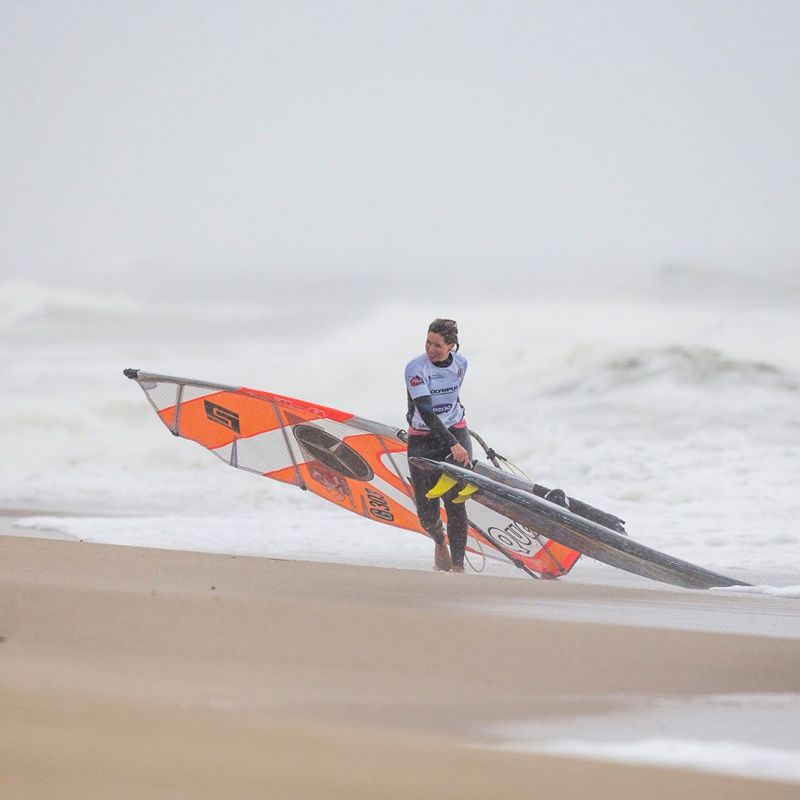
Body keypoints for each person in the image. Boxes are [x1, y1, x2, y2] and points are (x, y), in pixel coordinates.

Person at [405, 318, 473, 573]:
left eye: (437, 345)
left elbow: (454, 397)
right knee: (426, 515)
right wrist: (453, 444)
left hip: (455, 430)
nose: (431, 350)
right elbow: (426, 412)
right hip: (422, 438)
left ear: (451, 346)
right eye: (428, 343)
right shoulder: (415, 369)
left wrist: (456, 438)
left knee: (455, 501)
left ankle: (458, 567)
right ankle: (438, 539)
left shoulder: (461, 364)